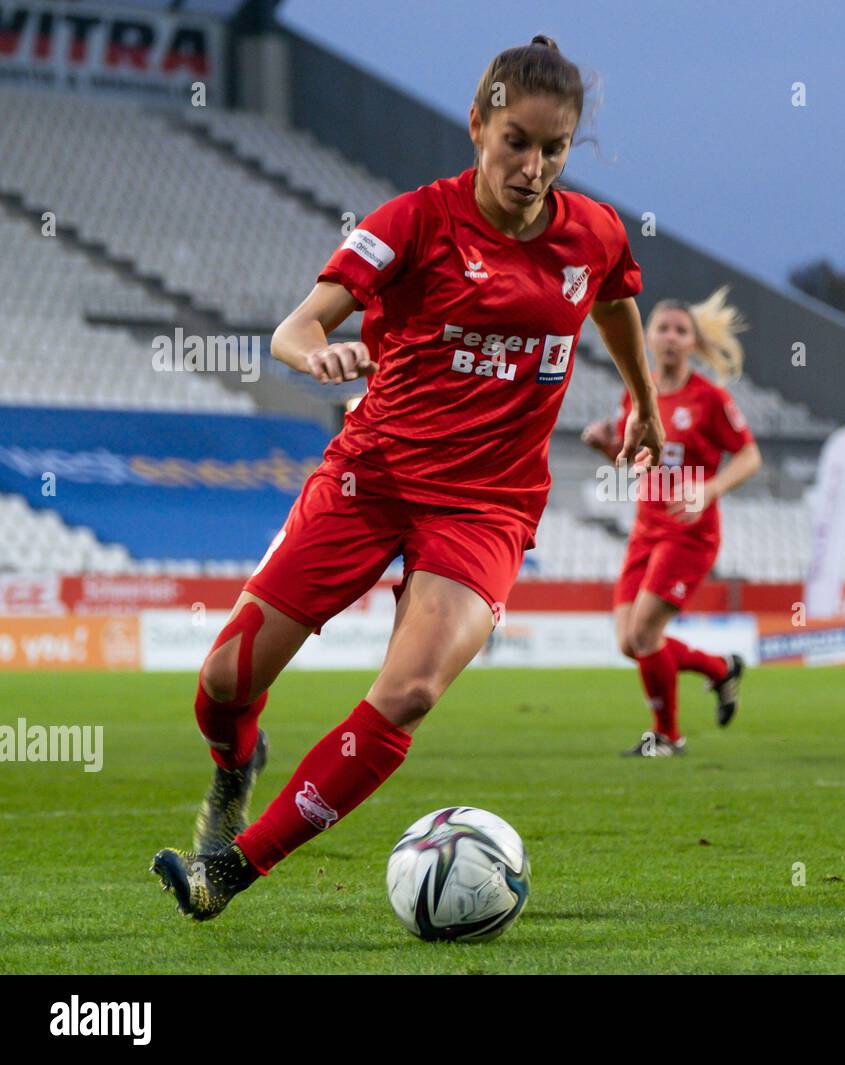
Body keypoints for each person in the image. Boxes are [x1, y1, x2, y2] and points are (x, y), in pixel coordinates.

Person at [151, 36, 664, 920]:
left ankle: (230, 871)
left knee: (412, 688)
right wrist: (320, 352)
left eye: (554, 149)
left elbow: (614, 297)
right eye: (516, 141)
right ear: (477, 125)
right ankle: (236, 763)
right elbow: (294, 328)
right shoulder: (413, 222)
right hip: (372, 474)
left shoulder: (595, 234)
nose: (533, 167)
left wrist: (645, 406)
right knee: (228, 678)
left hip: (489, 505)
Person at [582, 288, 762, 756]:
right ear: (647, 337)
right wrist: (606, 446)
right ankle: (720, 669)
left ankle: (667, 736)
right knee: (630, 641)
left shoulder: (709, 399)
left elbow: (749, 455)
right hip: (646, 529)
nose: (670, 337)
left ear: (692, 343)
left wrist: (709, 489)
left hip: (689, 532)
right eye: (662, 328)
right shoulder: (637, 395)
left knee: (644, 636)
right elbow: (637, 463)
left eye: (680, 330)